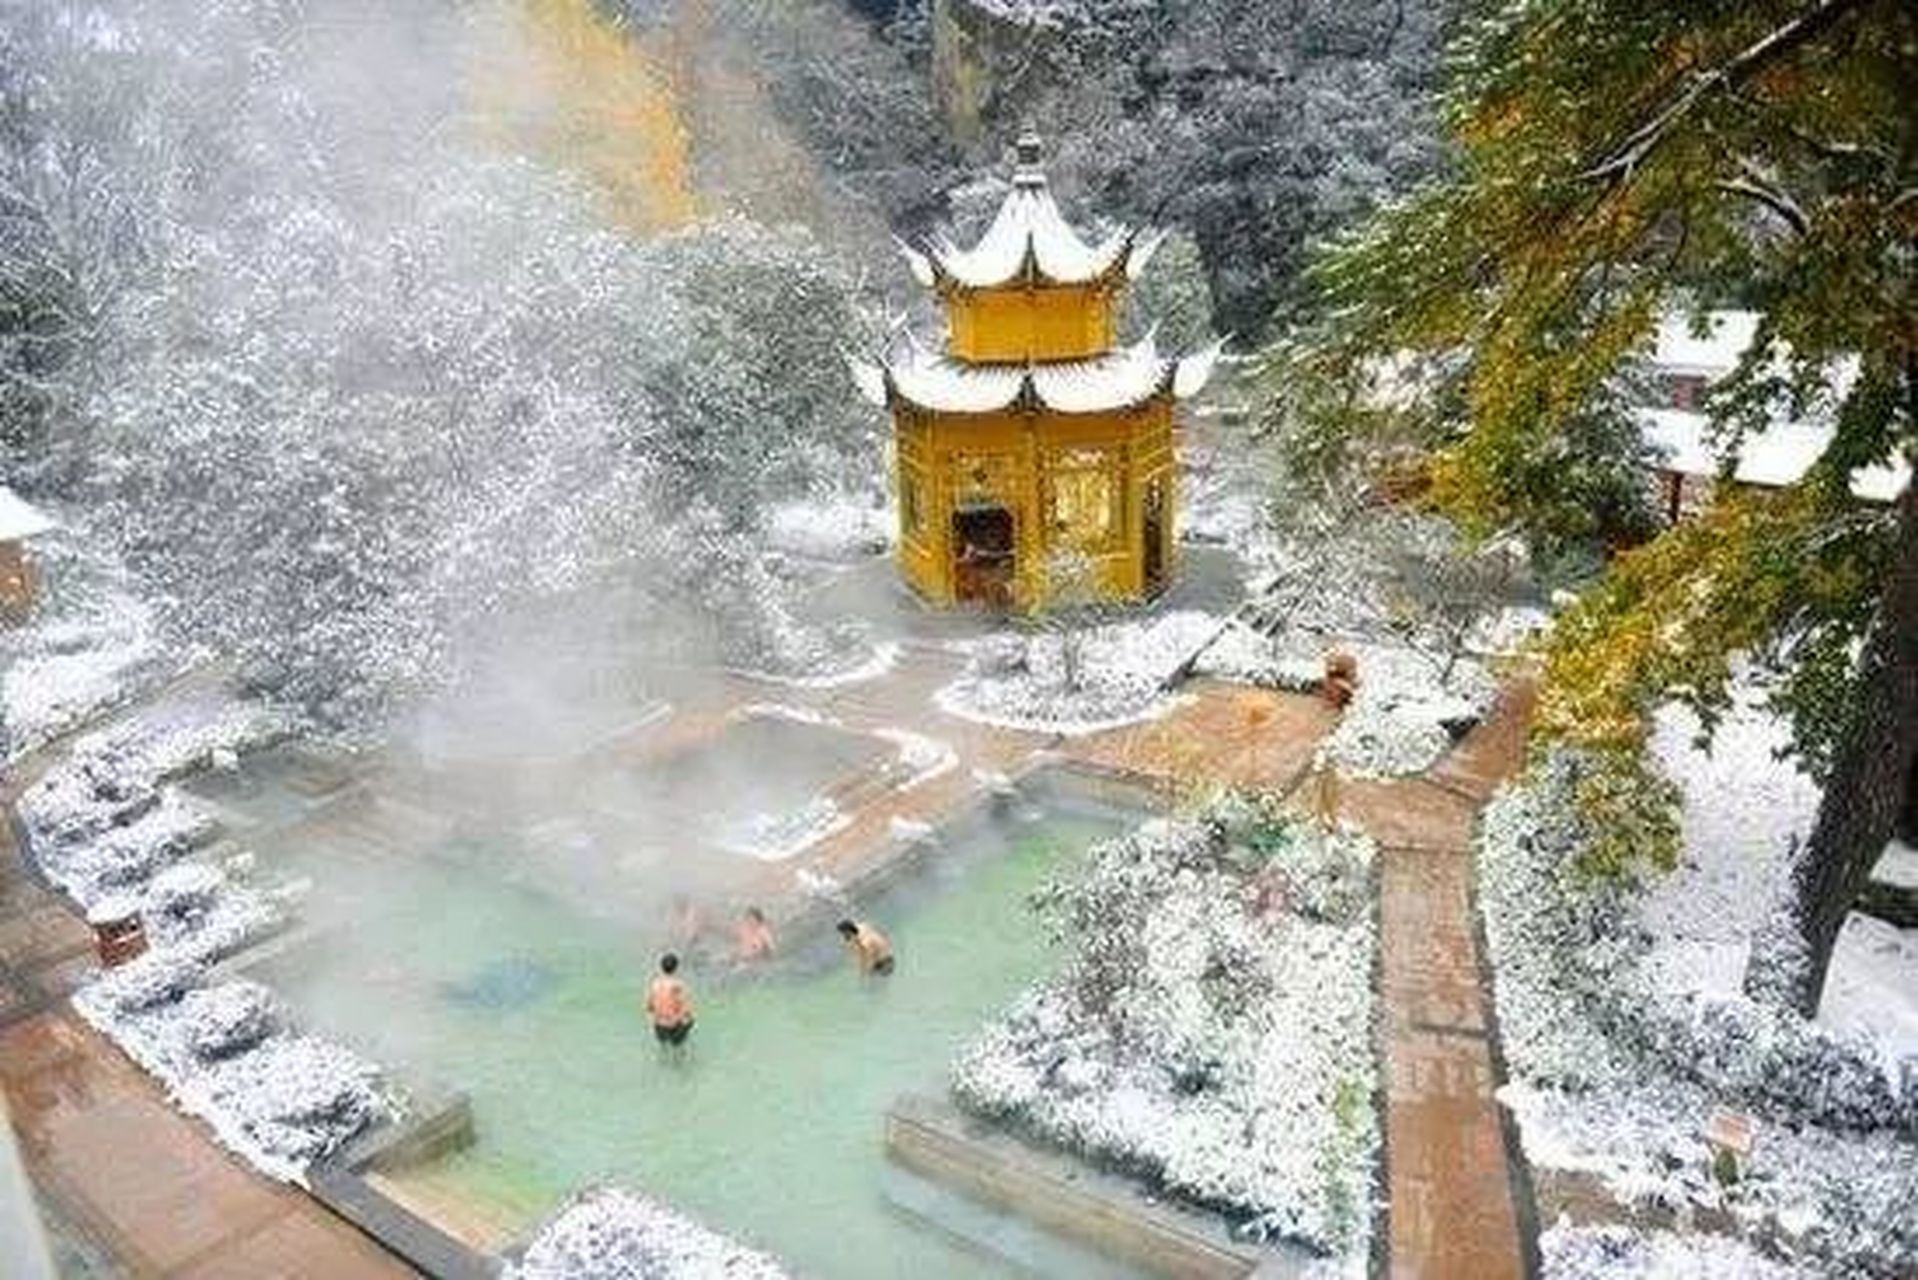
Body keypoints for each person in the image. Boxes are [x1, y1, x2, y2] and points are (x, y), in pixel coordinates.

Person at [645, 953, 695, 1048]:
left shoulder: (655, 984)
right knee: (690, 1022)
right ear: (676, 968)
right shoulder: (678, 985)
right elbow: (686, 1009)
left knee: (664, 1049)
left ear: (661, 967)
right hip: (674, 1025)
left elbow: (649, 1007)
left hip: (659, 1025)